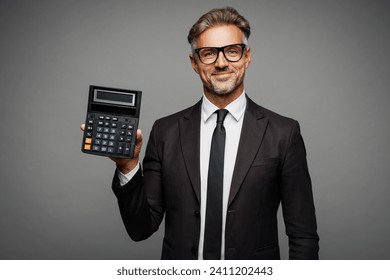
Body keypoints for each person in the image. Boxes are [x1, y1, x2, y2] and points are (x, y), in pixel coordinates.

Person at [82, 7, 319, 260]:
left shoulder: (284, 132)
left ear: (247, 57)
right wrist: (128, 166)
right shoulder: (165, 132)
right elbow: (141, 228)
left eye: (232, 51)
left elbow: (303, 234)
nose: (221, 62)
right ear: (194, 63)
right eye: (208, 53)